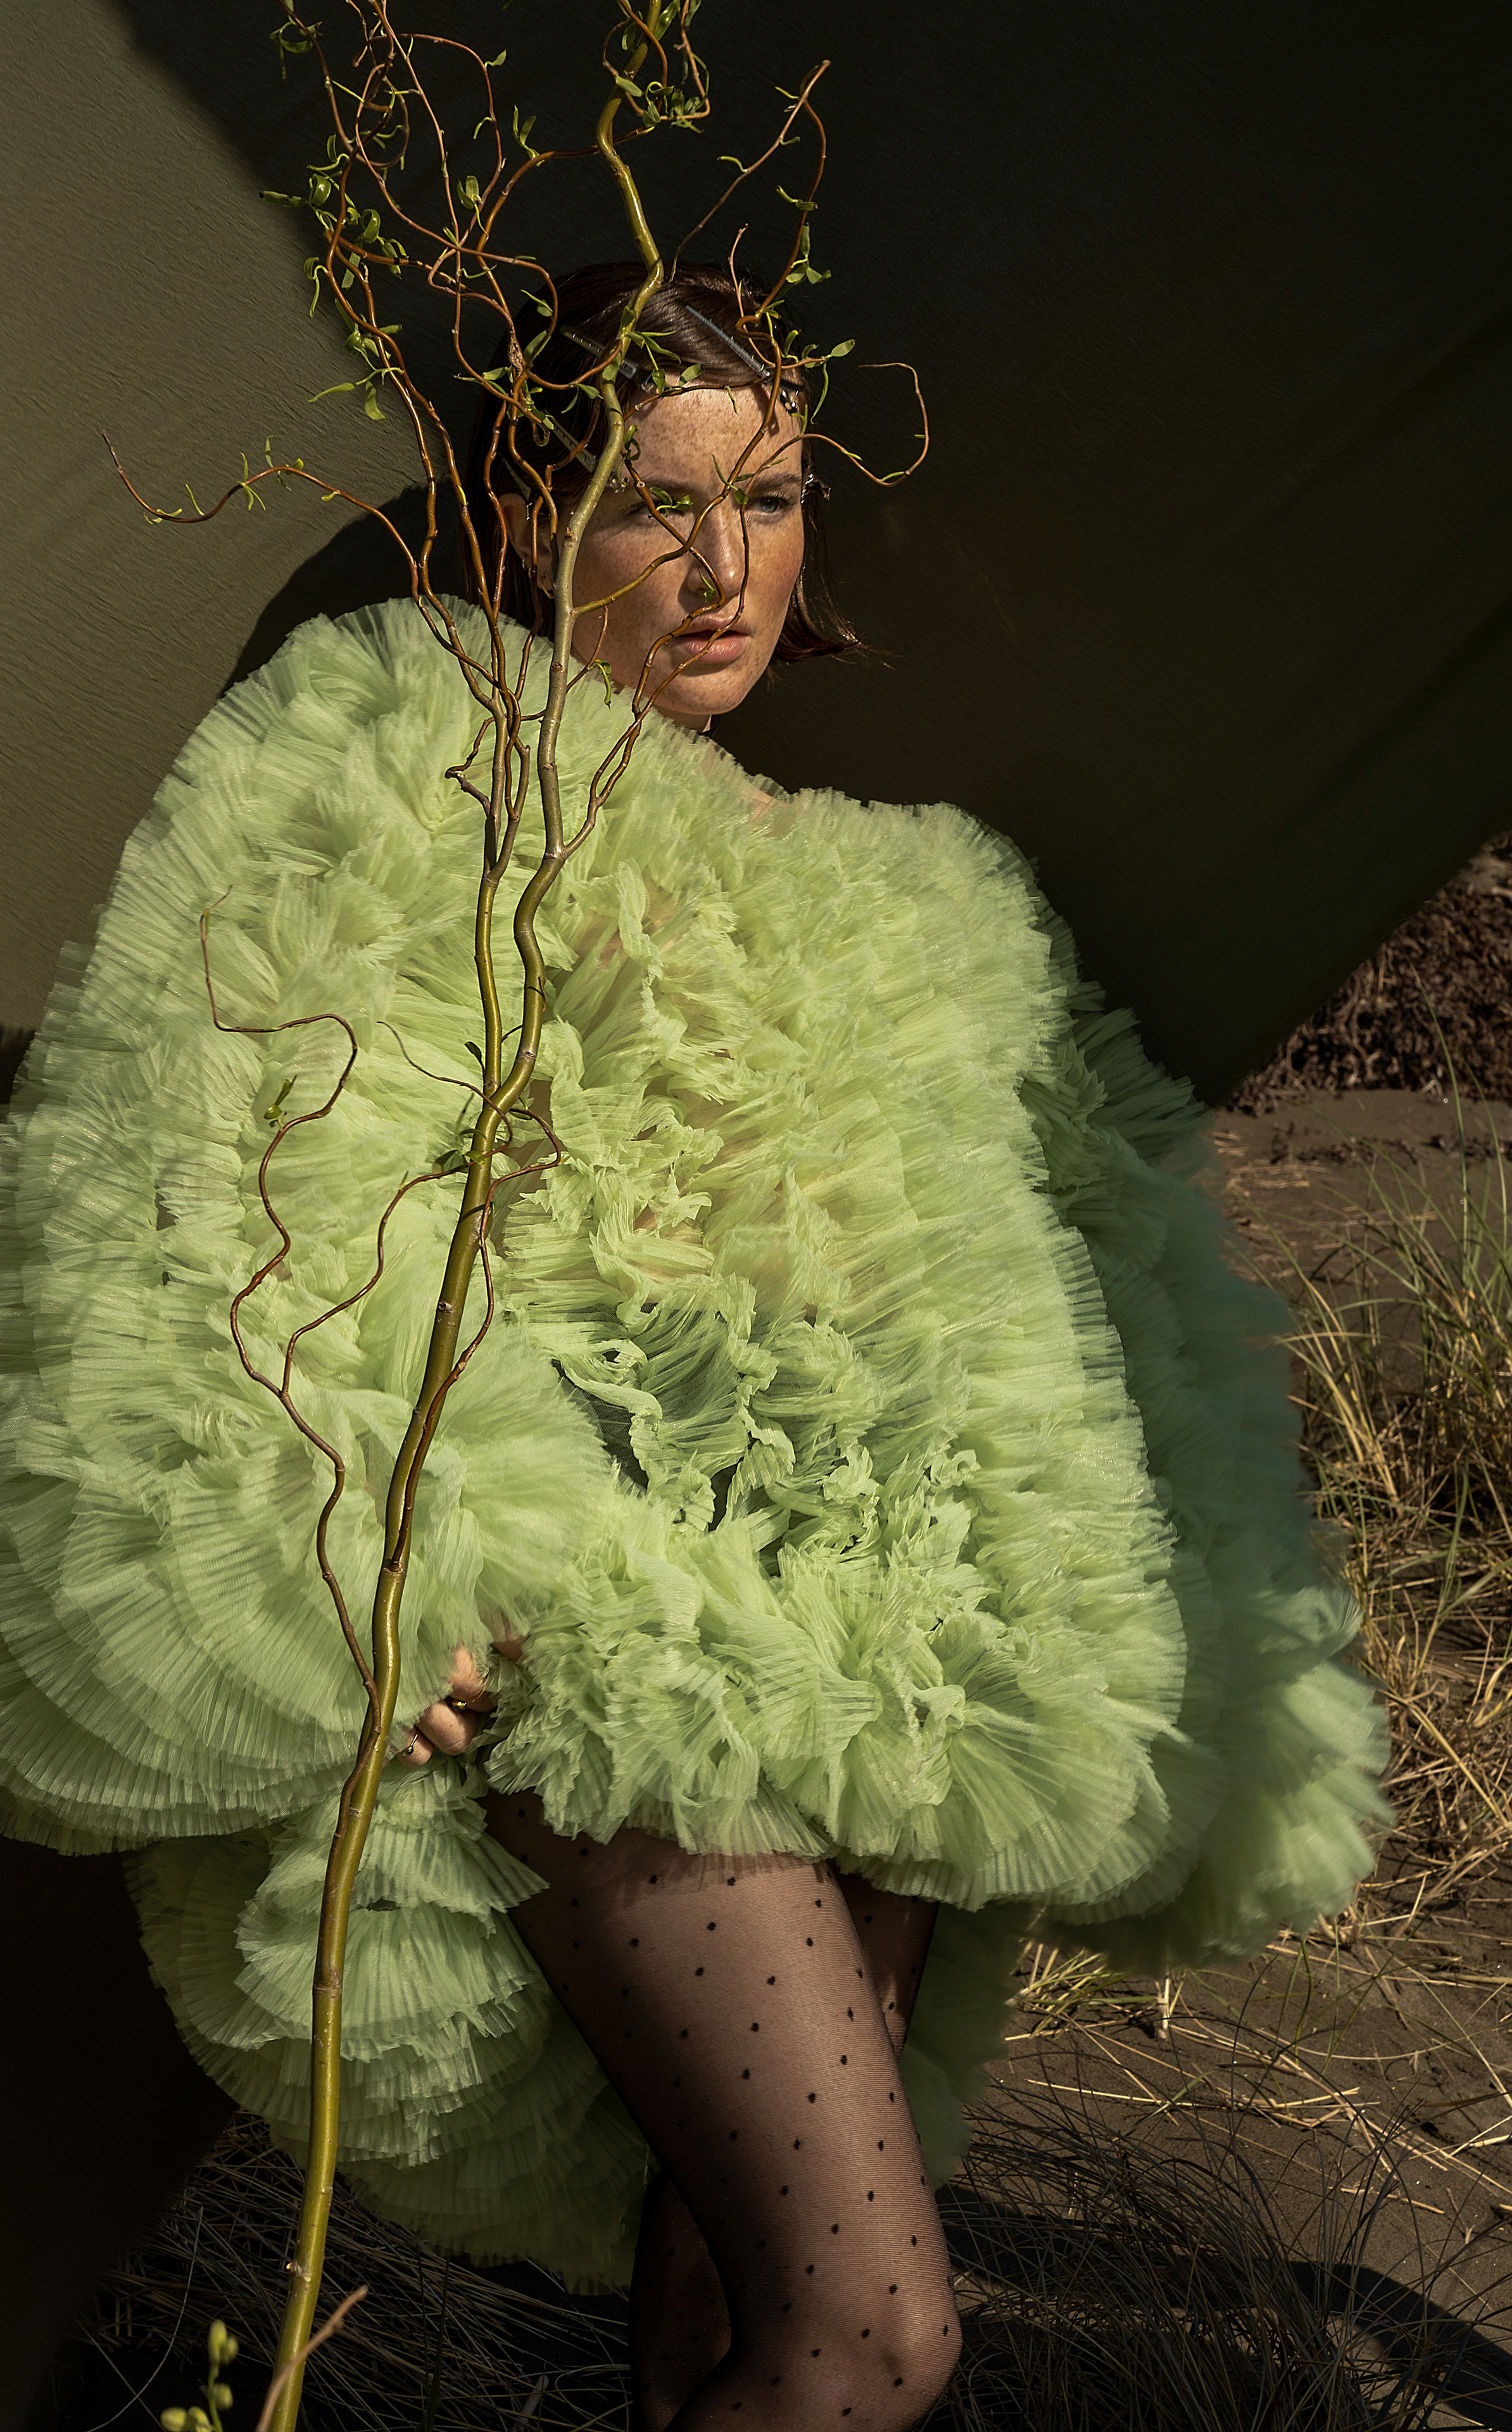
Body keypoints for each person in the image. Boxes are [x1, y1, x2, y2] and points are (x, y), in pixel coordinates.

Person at [0, 262, 1387, 2432]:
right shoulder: (420, 779)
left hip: (894, 1661)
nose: (725, 566)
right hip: (621, 1661)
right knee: (875, 2334)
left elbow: (1071, 1266)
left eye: (775, 493)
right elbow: (229, 1181)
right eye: (658, 503)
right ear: (542, 518)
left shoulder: (894, 886)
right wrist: (369, 1566)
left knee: (727, 2322)